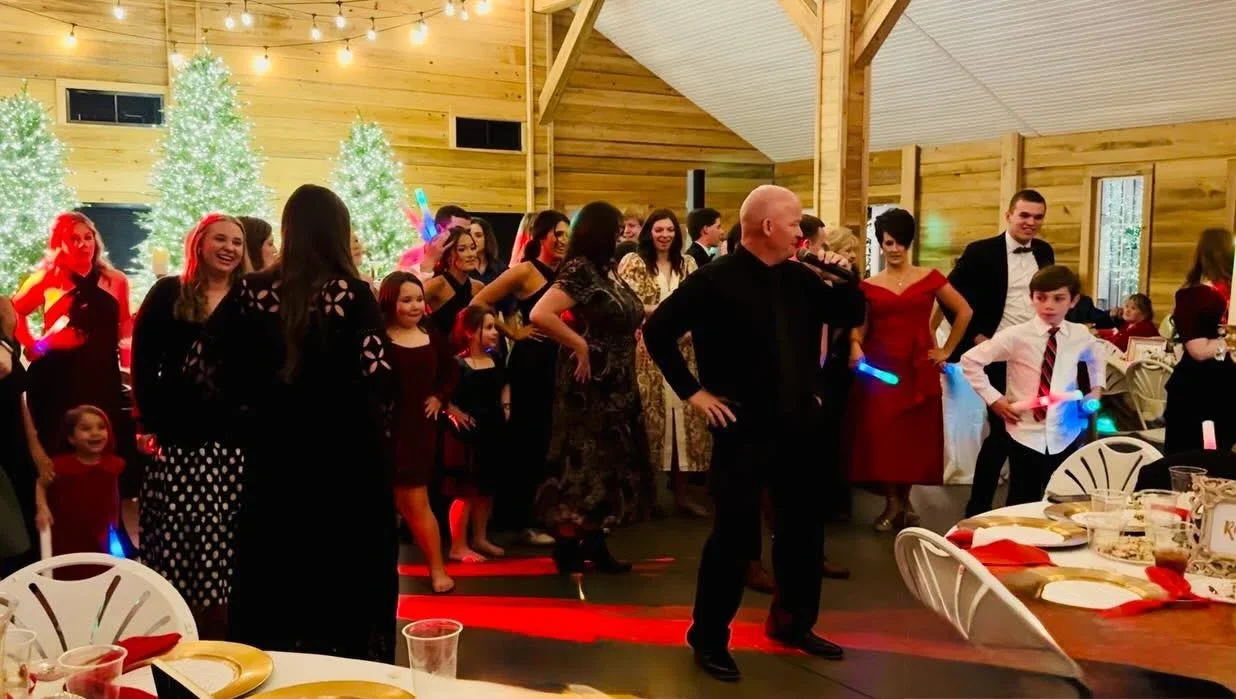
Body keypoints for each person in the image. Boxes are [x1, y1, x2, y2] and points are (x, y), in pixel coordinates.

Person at [643, 185, 865, 681]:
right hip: (742, 427)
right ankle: (709, 639)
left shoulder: (801, 279)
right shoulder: (714, 280)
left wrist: (843, 276)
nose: (800, 230)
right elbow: (657, 331)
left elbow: (849, 316)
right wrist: (694, 393)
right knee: (734, 537)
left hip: (798, 425)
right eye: (793, 222)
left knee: (803, 531)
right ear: (767, 226)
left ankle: (792, 623)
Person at [214, 184, 398, 661]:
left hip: (274, 463)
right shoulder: (351, 295)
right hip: (346, 467)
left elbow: (207, 365)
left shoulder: (251, 292)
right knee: (346, 582)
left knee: (276, 576)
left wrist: (251, 414)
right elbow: (380, 379)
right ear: (337, 234)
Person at [131, 213, 250, 636]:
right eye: (220, 239)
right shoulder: (169, 293)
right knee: (183, 535)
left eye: (237, 241)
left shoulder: (249, 298)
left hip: (235, 440)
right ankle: (179, 624)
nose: (230, 248)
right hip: (181, 436)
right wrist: (150, 421)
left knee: (230, 536)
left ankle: (228, 628)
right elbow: (143, 361)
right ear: (199, 243)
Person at [530, 201, 649, 576]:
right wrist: (578, 344)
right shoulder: (580, 270)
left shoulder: (606, 270)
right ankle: (568, 544)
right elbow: (540, 313)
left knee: (611, 462)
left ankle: (595, 542)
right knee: (583, 462)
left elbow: (624, 309)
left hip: (617, 379)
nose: (620, 237)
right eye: (614, 231)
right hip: (590, 382)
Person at [847, 209, 972, 531]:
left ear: (909, 242)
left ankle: (904, 503)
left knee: (915, 440)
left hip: (919, 367)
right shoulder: (868, 286)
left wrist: (946, 349)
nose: (894, 248)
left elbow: (964, 311)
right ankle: (894, 503)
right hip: (882, 370)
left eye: (901, 242)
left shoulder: (930, 277)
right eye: (888, 242)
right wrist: (855, 344)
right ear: (880, 243)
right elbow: (860, 327)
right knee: (885, 437)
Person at [944, 190, 1054, 517]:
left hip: (1035, 358)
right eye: (1024, 215)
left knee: (1029, 432)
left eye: (1037, 217)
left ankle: (1019, 508)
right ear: (1009, 215)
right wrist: (977, 337)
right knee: (1005, 430)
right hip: (996, 355)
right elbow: (949, 298)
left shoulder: (1045, 252)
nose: (1030, 223)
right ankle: (978, 509)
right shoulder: (981, 252)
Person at [12, 213, 137, 496]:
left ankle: (103, 520)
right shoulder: (46, 279)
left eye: (88, 237)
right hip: (57, 377)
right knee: (61, 447)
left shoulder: (115, 279)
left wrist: (129, 368)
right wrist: (36, 345)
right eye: (74, 239)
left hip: (101, 373)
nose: (83, 244)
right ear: (60, 244)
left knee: (102, 445)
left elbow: (123, 325)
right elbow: (12, 310)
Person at [961, 266, 1105, 506]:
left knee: (1062, 500)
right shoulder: (1016, 335)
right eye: (1041, 298)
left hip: (1065, 432)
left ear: (1073, 301)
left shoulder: (1079, 334)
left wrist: (1097, 388)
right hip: (1024, 432)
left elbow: (1096, 354)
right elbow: (970, 360)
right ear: (1032, 299)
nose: (1049, 305)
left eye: (1058, 298)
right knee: (1021, 500)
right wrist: (994, 399)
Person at [471, 210, 570, 546]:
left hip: (561, 361)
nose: (562, 240)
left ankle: (548, 512)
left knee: (553, 441)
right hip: (532, 363)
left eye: (566, 234)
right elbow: (479, 301)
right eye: (557, 233)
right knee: (528, 441)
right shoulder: (525, 272)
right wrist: (512, 332)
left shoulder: (568, 272)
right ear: (541, 236)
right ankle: (520, 519)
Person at [618, 209, 711, 517]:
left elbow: (699, 301)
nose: (664, 235)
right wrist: (659, 313)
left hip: (684, 350)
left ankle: (682, 496)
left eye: (669, 229)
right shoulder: (633, 262)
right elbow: (626, 301)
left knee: (682, 422)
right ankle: (647, 498)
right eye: (658, 229)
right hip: (647, 352)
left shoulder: (689, 264)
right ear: (649, 232)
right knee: (650, 422)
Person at [380, 272, 456, 593]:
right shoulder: (379, 338)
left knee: (417, 502)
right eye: (406, 300)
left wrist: (440, 397)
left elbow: (451, 370)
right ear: (390, 302)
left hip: (419, 432)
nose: (414, 306)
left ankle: (437, 569)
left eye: (419, 299)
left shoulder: (431, 334)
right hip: (385, 430)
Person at [442, 307, 509, 562]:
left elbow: (505, 383)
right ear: (470, 332)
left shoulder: (496, 358)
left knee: (486, 489)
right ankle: (457, 544)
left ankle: (480, 537)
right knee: (466, 491)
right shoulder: (457, 364)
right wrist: (454, 412)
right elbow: (442, 393)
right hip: (466, 433)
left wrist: (506, 406)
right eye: (489, 327)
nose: (495, 333)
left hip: (491, 428)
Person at [1164, 228, 1236, 454]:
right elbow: (1198, 350)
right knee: (1193, 459)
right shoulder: (1196, 296)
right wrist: (1230, 341)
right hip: (1199, 392)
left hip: (1224, 390)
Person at [34, 406, 124, 571]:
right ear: (71, 438)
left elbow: (114, 492)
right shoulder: (60, 466)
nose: (95, 432)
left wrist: (115, 517)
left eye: (101, 427)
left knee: (101, 570)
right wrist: (42, 508)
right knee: (68, 569)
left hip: (100, 530)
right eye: (86, 428)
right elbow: (41, 483)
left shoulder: (112, 464)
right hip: (67, 532)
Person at [0, 297, 52, 577]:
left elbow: (16, 397)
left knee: (24, 550)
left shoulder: (3, 317)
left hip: (14, 447)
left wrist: (35, 447)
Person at [424, 227, 485, 338]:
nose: (471, 254)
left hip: (470, 352)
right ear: (448, 256)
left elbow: (489, 319)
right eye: (462, 249)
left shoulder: (478, 287)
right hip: (441, 350)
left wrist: (512, 334)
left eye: (472, 248)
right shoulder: (436, 285)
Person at [469, 217, 507, 286]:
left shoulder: (501, 269)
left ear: (487, 238)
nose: (473, 239)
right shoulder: (461, 270)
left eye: (478, 235)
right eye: (469, 235)